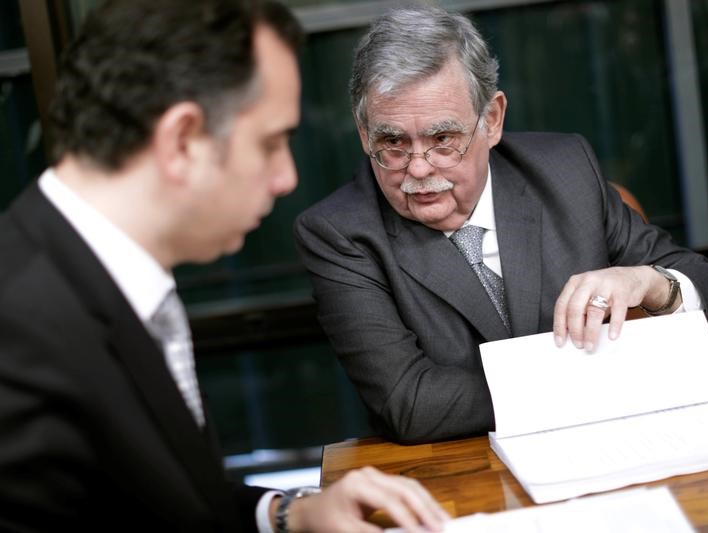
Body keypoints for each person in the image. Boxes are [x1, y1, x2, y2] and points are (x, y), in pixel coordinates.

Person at [0, 1, 449, 531]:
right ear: (182, 140)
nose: (286, 178)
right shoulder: (18, 337)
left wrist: (288, 513)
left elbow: (158, 503)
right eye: (271, 143)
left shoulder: (106, 277)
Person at [294, 6, 708, 444]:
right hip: (461, 482)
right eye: (392, 142)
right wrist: (603, 379)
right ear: (363, 132)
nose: (418, 168)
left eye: (443, 139)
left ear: (491, 120)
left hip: (617, 446)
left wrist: (651, 282)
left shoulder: (566, 171)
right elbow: (410, 404)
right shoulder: (339, 233)